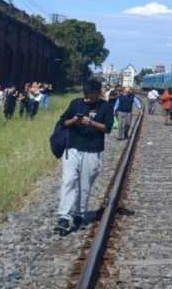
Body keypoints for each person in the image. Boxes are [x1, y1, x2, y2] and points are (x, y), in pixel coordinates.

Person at [55, 79, 114, 235]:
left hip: (93, 150)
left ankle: (79, 213)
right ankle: (64, 216)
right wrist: (74, 120)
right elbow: (62, 123)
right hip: (72, 148)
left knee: (85, 184)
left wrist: (91, 123)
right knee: (69, 180)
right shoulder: (76, 103)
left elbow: (107, 128)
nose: (88, 98)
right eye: (86, 95)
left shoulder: (106, 106)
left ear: (98, 93)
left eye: (91, 95)